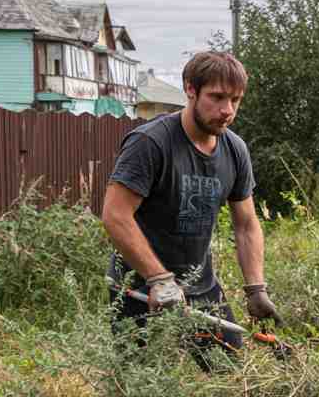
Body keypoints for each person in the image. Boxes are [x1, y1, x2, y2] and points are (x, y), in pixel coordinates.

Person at [101, 51, 277, 371]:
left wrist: (256, 288)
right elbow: (115, 215)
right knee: (139, 390)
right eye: (217, 97)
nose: (227, 111)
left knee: (231, 376)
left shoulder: (234, 149)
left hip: (201, 288)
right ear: (190, 90)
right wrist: (159, 279)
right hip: (138, 290)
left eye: (235, 100)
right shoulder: (150, 143)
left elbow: (247, 225)